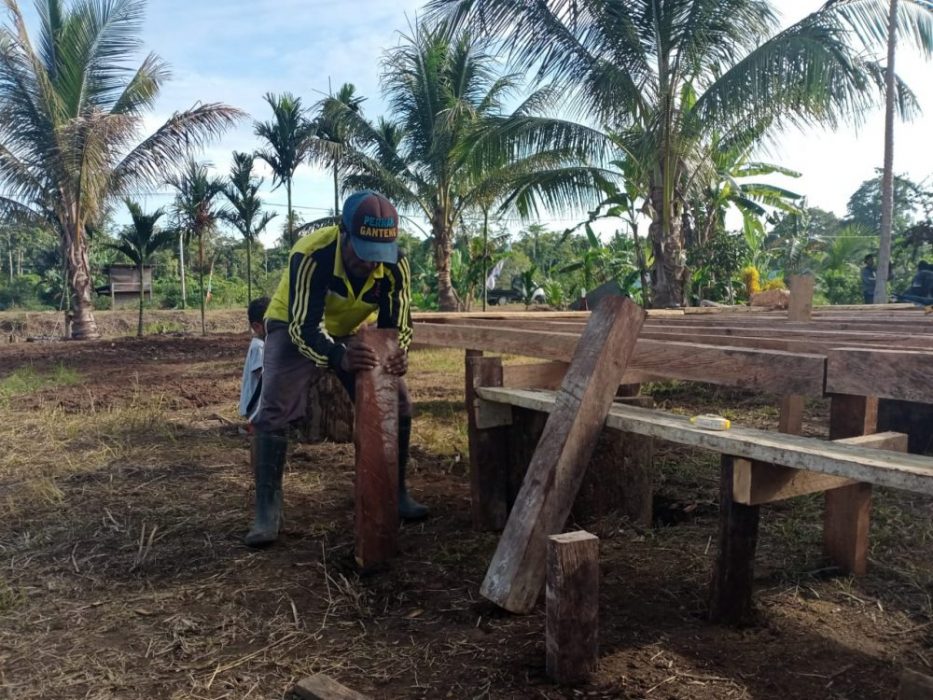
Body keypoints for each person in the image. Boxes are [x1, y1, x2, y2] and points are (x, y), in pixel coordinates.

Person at [245, 190, 426, 547]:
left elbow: (398, 323)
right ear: (344, 234)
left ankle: (396, 492)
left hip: (346, 330)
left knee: (398, 403)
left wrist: (397, 353)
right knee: (274, 411)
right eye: (363, 255)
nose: (372, 265)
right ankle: (267, 510)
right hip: (292, 324)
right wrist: (338, 356)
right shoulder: (312, 255)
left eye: (379, 257)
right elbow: (304, 328)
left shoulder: (394, 264)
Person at [238, 297, 269, 426]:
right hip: (255, 409)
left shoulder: (261, 344)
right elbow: (265, 376)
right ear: (257, 326)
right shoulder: (258, 347)